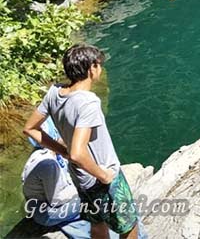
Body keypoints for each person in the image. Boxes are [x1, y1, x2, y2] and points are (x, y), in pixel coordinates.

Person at [23, 44, 142, 239]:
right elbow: (78, 153)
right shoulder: (88, 103)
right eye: (99, 65)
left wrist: (62, 151)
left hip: (80, 178)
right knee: (130, 225)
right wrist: (104, 176)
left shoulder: (55, 92)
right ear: (91, 68)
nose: (100, 69)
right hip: (101, 176)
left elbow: (30, 128)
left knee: (97, 223)